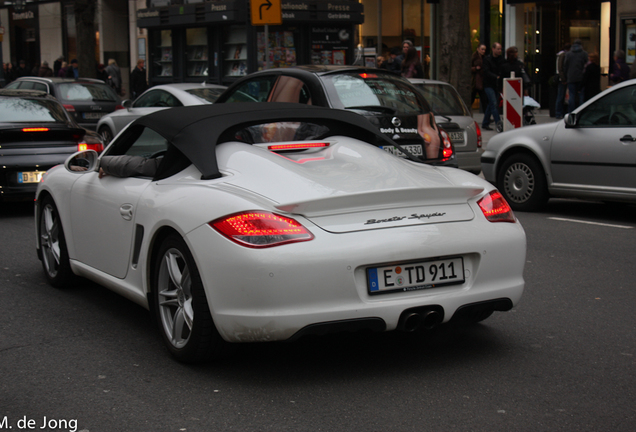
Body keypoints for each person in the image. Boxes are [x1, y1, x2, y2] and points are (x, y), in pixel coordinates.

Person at [481, 42, 504, 131]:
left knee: (491, 104)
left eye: (500, 49)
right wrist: (496, 77)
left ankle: (485, 122)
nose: (499, 51)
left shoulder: (501, 59)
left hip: (497, 85)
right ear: (493, 49)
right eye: (498, 49)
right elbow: (486, 71)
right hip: (488, 84)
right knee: (494, 103)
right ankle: (498, 122)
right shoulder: (487, 59)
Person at [563, 39, 588, 113]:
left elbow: (565, 66)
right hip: (581, 77)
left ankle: (571, 112)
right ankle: (581, 112)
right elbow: (587, 65)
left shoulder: (568, 54)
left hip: (571, 77)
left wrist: (566, 76)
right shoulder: (584, 53)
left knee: (572, 95)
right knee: (581, 96)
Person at [554, 43, 571, 119]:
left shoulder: (561, 55)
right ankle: (558, 113)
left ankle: (559, 112)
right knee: (561, 96)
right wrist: (563, 78)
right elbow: (560, 68)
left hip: (561, 78)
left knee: (561, 96)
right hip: (562, 79)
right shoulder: (563, 55)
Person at [471, 44, 487, 113]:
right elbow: (468, 67)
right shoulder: (474, 57)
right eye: (482, 49)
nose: (483, 51)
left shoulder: (484, 58)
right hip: (474, 81)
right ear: (478, 49)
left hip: (481, 81)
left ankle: (486, 116)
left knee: (484, 100)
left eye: (484, 50)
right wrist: (475, 68)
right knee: (472, 98)